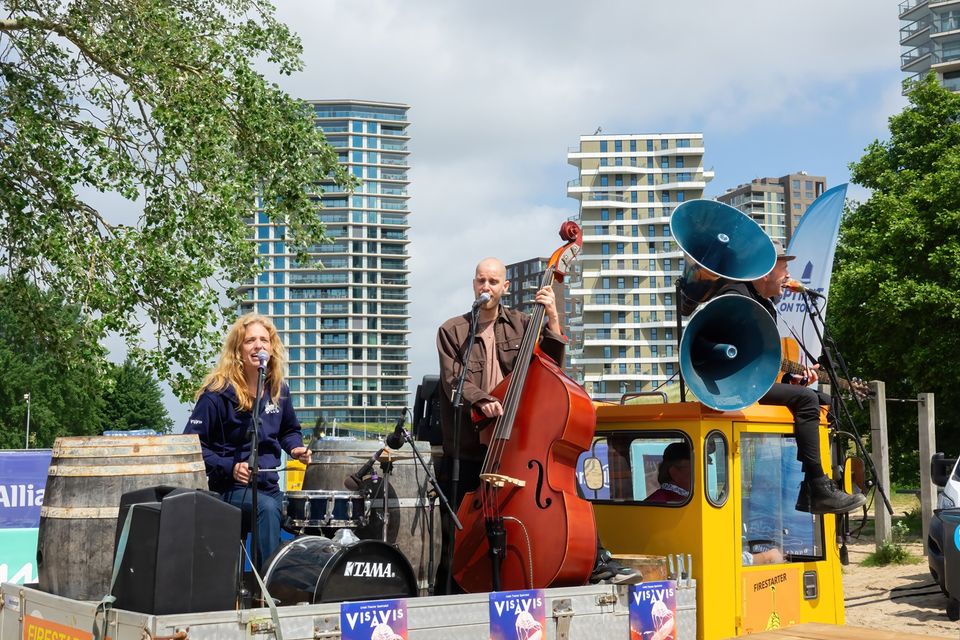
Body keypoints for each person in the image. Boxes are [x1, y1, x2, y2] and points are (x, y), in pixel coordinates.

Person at [435, 257, 639, 590]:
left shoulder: (521, 324)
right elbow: (452, 379)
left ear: (505, 287)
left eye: (492, 281)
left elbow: (551, 368)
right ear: (474, 284)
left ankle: (595, 561)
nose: (485, 287)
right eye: (480, 281)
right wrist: (481, 399)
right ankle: (460, 593)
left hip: (519, 440)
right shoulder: (452, 330)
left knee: (555, 499)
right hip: (474, 442)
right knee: (463, 529)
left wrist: (554, 318)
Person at [717, 241, 866, 515]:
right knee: (808, 400)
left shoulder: (764, 303)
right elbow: (737, 351)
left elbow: (763, 359)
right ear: (765, 273)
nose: (788, 276)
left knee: (825, 403)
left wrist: (791, 381)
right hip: (733, 383)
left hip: (754, 381)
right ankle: (819, 489)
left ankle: (811, 488)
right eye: (784, 269)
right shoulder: (736, 296)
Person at [184, 313, 311, 570]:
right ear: (238, 350)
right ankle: (266, 588)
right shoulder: (216, 393)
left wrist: (295, 448)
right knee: (266, 509)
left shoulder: (279, 390)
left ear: (272, 348)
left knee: (307, 512)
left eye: (264, 340)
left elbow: (289, 430)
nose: (258, 346)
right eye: (250, 340)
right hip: (228, 489)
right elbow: (192, 447)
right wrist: (230, 466)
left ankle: (303, 583)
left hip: (269, 486)